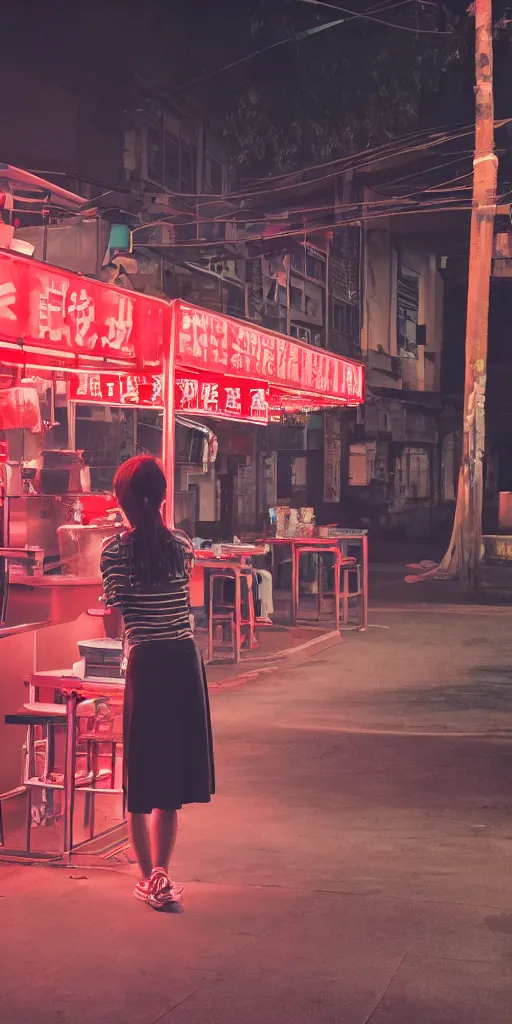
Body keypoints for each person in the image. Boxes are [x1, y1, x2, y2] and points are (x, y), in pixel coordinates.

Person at [100, 455, 214, 910]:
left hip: (146, 664)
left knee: (141, 776)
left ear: (122, 501)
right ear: (164, 498)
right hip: (183, 662)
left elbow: (114, 626)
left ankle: (149, 879)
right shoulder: (182, 545)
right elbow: (179, 598)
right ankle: (163, 874)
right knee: (171, 773)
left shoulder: (113, 551)